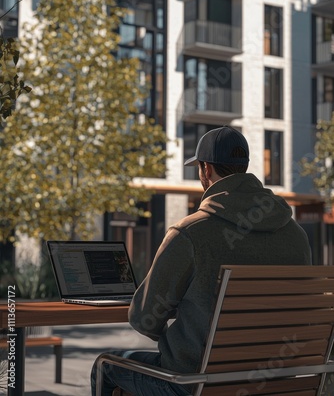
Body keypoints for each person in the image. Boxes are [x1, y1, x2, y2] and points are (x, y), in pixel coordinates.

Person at [91, 125, 312, 396]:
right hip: (277, 382)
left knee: (106, 365)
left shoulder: (190, 232)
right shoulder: (296, 236)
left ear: (206, 170)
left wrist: (182, 328)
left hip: (197, 384)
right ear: (243, 167)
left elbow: (144, 318)